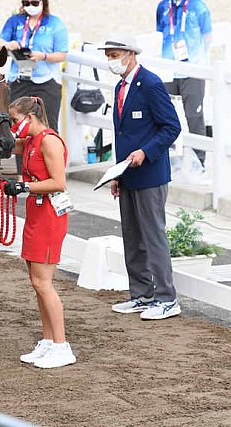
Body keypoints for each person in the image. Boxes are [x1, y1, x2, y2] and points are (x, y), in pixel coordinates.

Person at [97, 33, 183, 321]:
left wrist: (146, 152)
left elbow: (171, 127)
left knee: (153, 236)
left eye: (114, 55)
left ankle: (167, 298)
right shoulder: (120, 87)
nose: (111, 61)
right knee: (132, 236)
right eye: (108, 56)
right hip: (127, 173)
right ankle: (142, 294)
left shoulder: (151, 84)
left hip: (150, 173)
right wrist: (117, 173)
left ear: (130, 54)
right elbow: (122, 133)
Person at [2, 96, 76, 369]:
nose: (12, 126)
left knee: (43, 283)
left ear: (29, 118)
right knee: (37, 282)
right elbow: (3, 146)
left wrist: (24, 188)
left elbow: (58, 182)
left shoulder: (49, 141)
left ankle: (61, 344)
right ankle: (48, 341)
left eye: (14, 121)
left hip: (48, 217)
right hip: (36, 213)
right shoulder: (31, 142)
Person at [0, 0, 68, 176]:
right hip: (20, 79)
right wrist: (8, 46)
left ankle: (54, 174)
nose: (30, 5)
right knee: (18, 127)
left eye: (34, 1)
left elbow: (62, 54)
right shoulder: (15, 21)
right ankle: (24, 174)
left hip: (46, 80)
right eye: (26, 2)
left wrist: (42, 55)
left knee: (48, 126)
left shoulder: (55, 23)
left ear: (44, 2)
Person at [156, 0, 212, 167]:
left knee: (194, 118)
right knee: (163, 116)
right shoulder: (163, 6)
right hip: (168, 70)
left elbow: (208, 38)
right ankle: (166, 158)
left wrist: (196, 60)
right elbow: (161, 32)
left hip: (192, 72)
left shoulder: (198, 7)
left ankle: (199, 163)